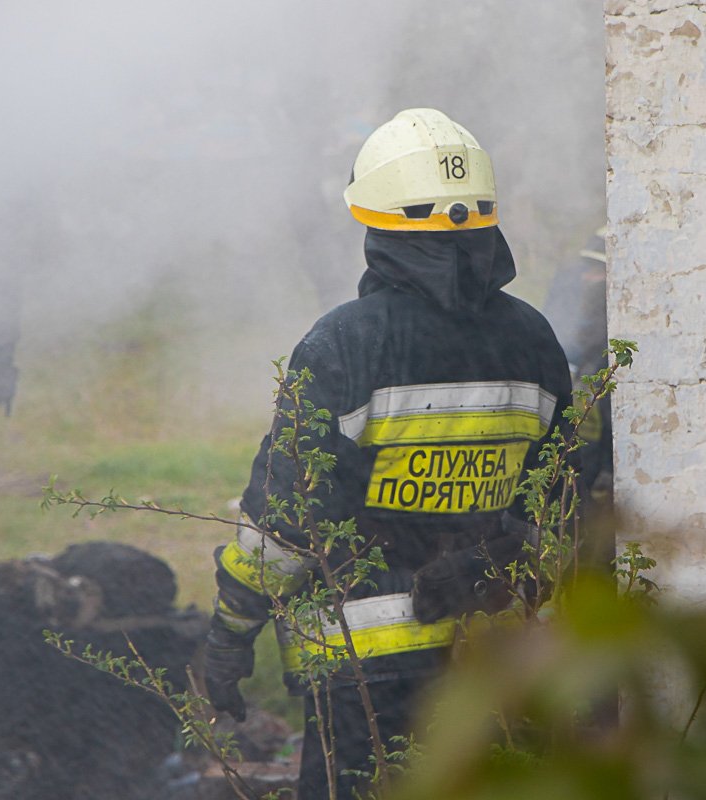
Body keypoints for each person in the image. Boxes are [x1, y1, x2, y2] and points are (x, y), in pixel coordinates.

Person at [202, 108, 574, 798]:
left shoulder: (343, 345)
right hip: (494, 664)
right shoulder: (535, 340)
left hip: (364, 679)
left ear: (379, 227)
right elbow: (561, 505)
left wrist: (229, 631)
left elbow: (285, 527)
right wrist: (492, 559)